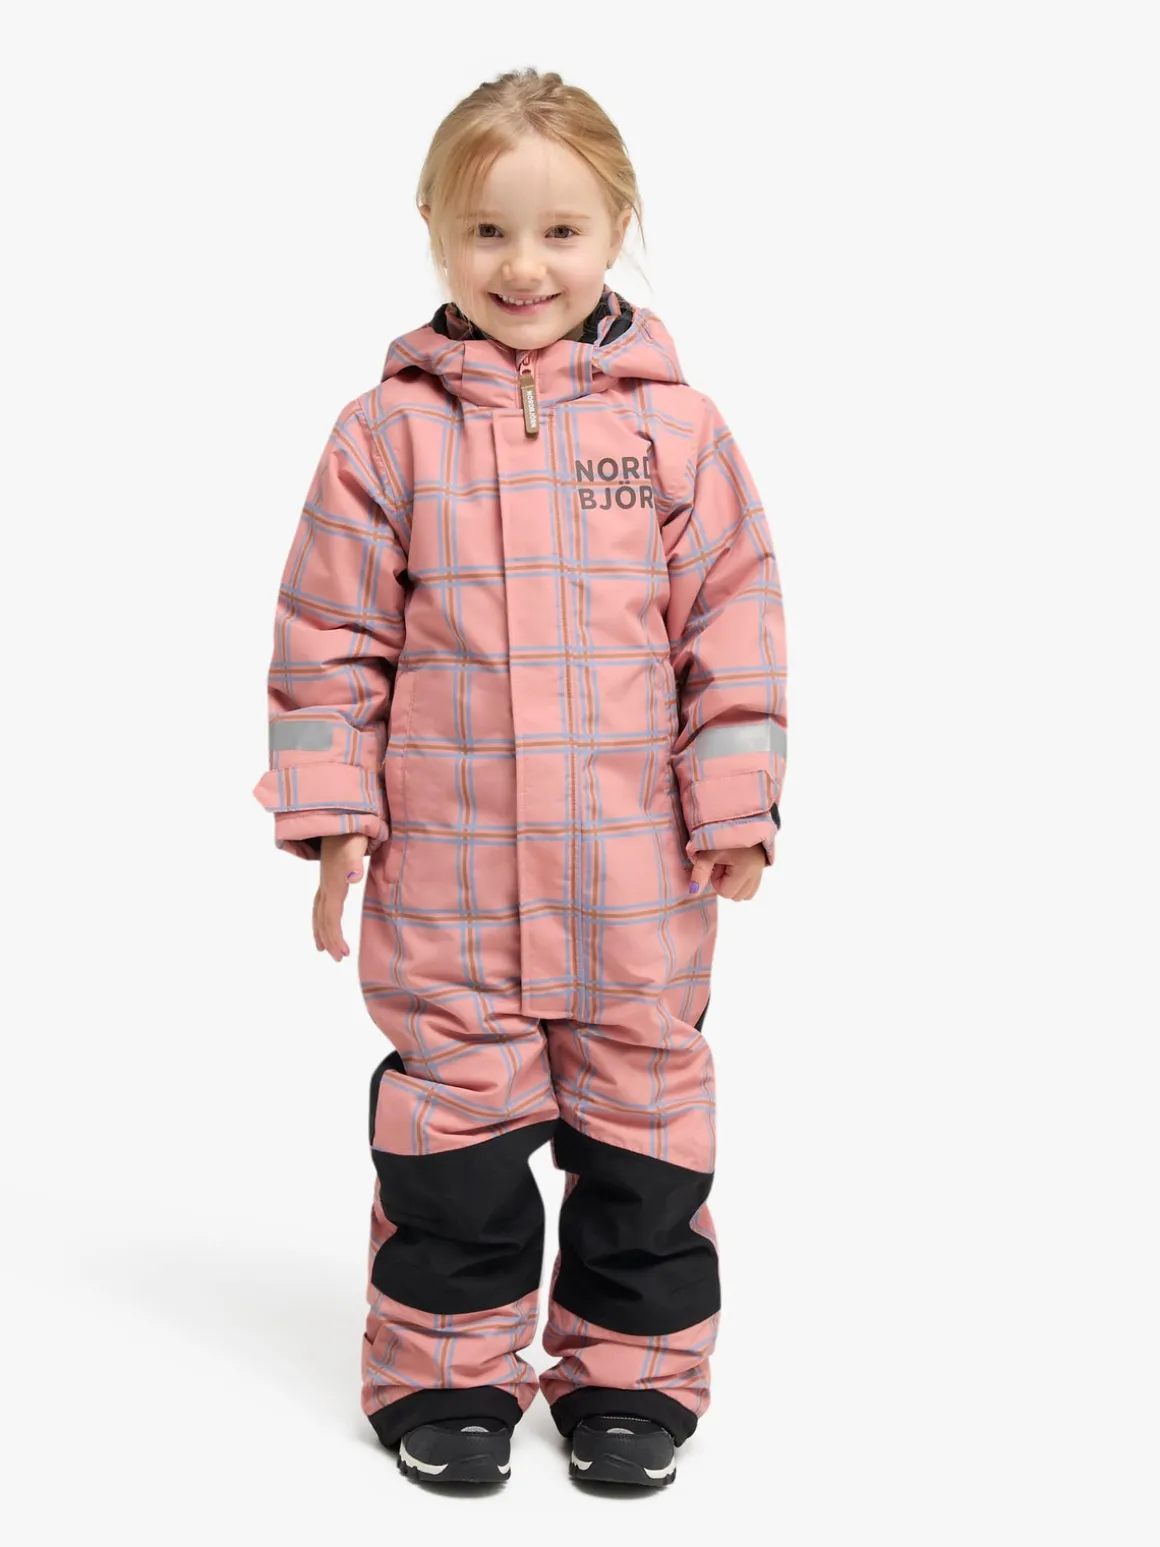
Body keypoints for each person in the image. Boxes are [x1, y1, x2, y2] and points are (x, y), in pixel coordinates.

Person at [253, 67, 788, 1490]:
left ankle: (631, 1379)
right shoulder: (385, 434)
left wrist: (737, 810)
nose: (524, 266)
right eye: (487, 231)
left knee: (646, 1134)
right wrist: (333, 824)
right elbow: (329, 640)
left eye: (561, 231)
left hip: (636, 882)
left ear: (616, 227)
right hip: (450, 887)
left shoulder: (676, 433)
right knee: (454, 1142)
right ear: (434, 229)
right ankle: (446, 1374)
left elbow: (732, 628)